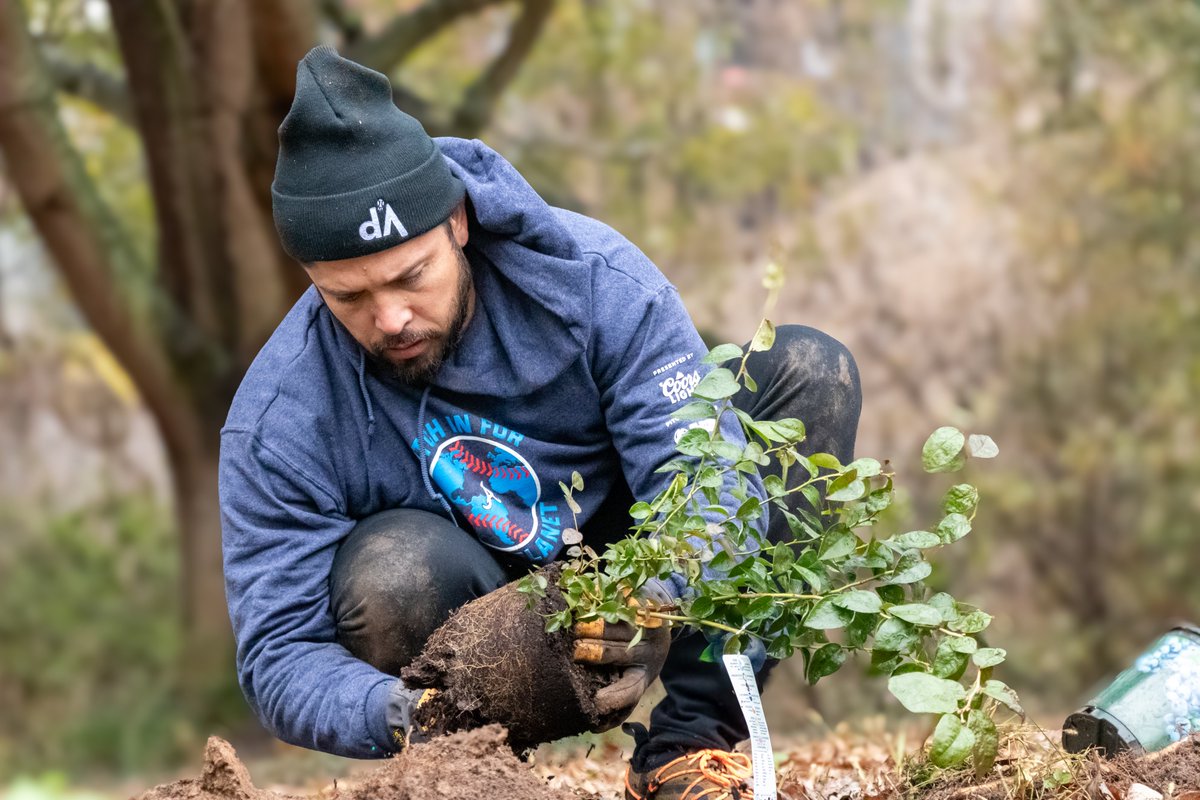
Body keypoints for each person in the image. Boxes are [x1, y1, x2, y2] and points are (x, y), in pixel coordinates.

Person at [219, 46, 861, 800]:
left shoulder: (594, 282)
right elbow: (280, 654)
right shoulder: (281, 418)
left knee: (809, 373)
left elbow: (703, 478)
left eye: (410, 276)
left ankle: (692, 746)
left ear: (457, 220)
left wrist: (655, 590)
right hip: (471, 603)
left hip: (630, 546)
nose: (389, 318)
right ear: (310, 277)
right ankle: (473, 777)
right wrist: (405, 713)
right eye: (348, 296)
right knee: (387, 574)